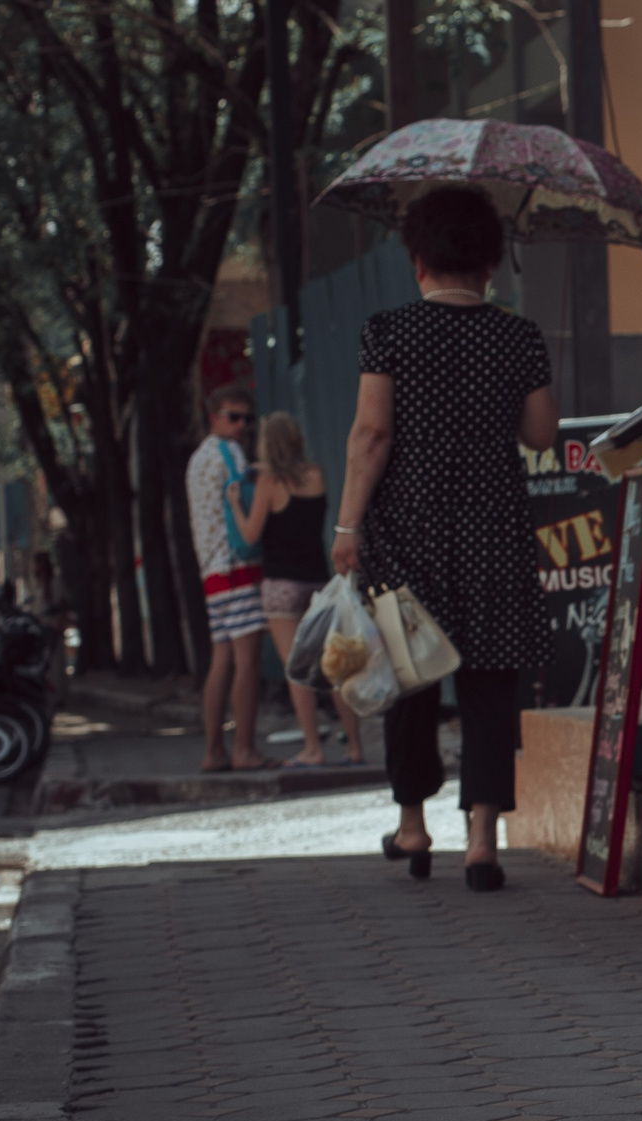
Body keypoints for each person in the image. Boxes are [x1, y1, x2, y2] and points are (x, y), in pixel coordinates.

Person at [334, 185, 553, 892]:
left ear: (419, 259)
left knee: (412, 676)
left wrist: (347, 526)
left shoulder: (388, 332)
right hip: (495, 525)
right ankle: (483, 840)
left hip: (408, 529)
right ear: (490, 262)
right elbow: (541, 435)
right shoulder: (519, 336)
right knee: (490, 679)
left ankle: (413, 823)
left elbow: (371, 434)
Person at [227, 412, 367, 768]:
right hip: (317, 581)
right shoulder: (316, 474)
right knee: (335, 665)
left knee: (298, 669)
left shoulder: (268, 483)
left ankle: (312, 748)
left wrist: (234, 504)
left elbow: (250, 536)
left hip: (280, 585)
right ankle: (354, 747)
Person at [185, 385, 269, 772]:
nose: (242, 426)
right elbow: (245, 498)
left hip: (211, 572)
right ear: (214, 417)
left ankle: (214, 749)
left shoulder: (197, 459)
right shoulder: (229, 452)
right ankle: (245, 748)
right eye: (233, 417)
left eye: (247, 419)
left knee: (221, 661)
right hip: (237, 566)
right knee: (247, 660)